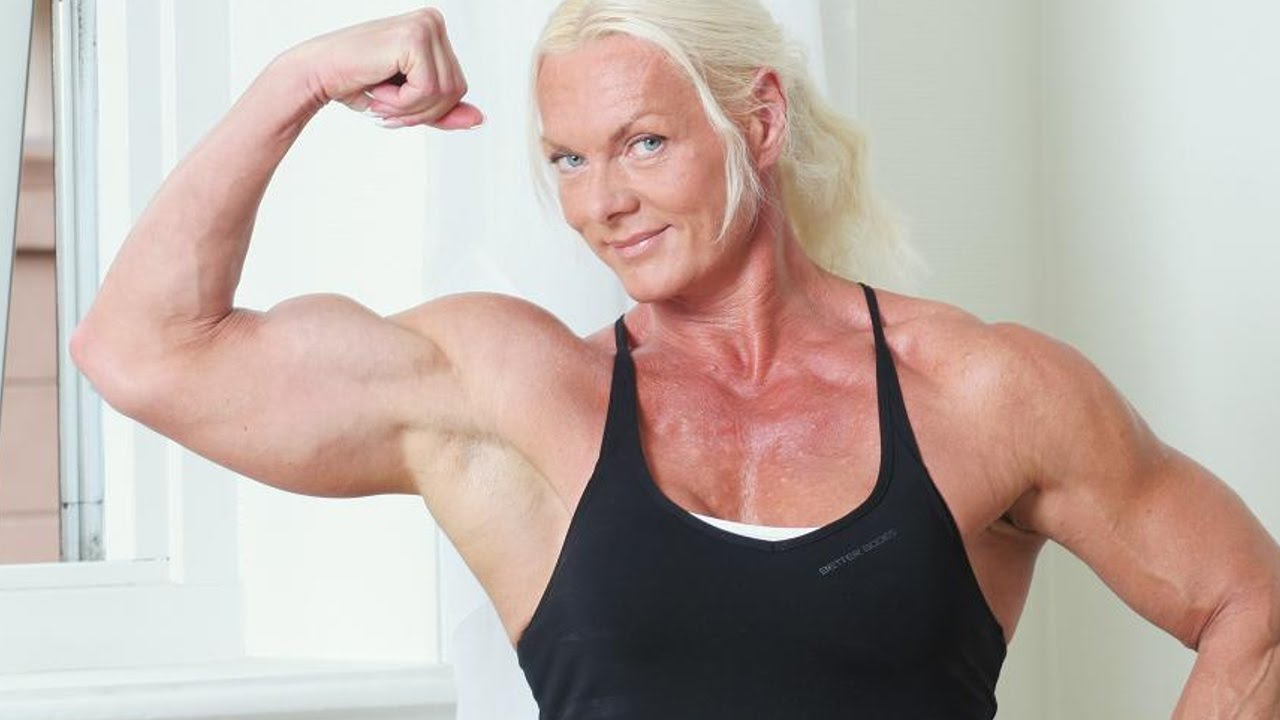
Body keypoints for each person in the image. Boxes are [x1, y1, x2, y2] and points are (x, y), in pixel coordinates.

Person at [68, 2, 1280, 718]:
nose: (602, 202)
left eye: (642, 142)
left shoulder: (979, 391)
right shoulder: (512, 394)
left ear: (758, 120)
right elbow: (140, 350)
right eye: (567, 159)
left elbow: (1253, 610)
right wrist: (298, 79)